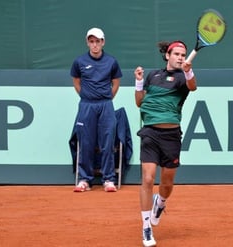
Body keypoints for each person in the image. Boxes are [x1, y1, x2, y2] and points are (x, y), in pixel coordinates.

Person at [134, 40, 197, 247]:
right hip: (150, 132)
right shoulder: (153, 75)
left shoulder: (181, 78)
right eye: (177, 54)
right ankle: (146, 228)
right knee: (148, 179)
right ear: (167, 55)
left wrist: (188, 72)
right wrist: (139, 82)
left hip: (171, 136)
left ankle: (160, 203)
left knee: (167, 183)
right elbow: (139, 102)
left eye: (183, 54)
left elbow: (192, 87)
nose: (180, 57)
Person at [70, 27, 122, 192]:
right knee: (86, 142)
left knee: (107, 142)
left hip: (106, 105)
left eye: (97, 41)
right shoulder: (79, 62)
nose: (94, 45)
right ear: (88, 43)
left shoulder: (111, 61)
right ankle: (85, 179)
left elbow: (115, 83)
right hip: (86, 105)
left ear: (103, 42)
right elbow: (77, 82)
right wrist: (87, 97)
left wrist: (105, 99)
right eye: (91, 41)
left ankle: (108, 179)